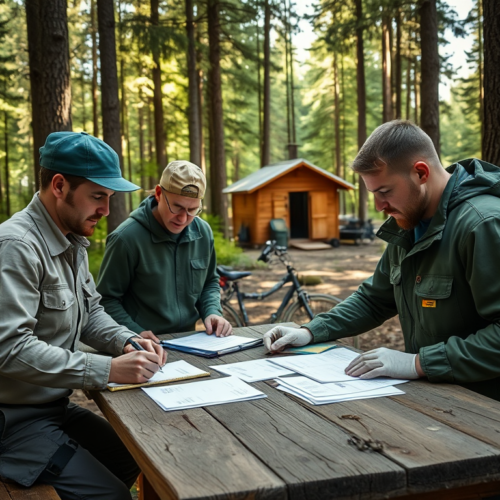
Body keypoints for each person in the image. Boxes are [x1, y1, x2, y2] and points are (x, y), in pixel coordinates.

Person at [264, 120, 500, 401]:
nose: (379, 206)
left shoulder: (483, 224)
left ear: (421, 173)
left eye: (385, 191)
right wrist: (310, 331)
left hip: (486, 409)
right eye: (373, 193)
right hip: (443, 399)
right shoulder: (410, 223)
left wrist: (417, 363)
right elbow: (374, 299)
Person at [0, 131, 167, 500]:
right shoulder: (16, 246)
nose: (106, 210)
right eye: (98, 196)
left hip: (51, 407)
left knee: (135, 456)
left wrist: (126, 340)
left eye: (109, 198)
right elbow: (9, 349)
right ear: (59, 185)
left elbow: (91, 311)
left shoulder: (71, 240)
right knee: (113, 495)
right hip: (12, 421)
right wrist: (106, 369)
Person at [96, 160, 232, 340]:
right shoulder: (126, 238)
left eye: (193, 210)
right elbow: (106, 300)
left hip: (192, 342)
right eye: (177, 207)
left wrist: (212, 312)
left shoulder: (203, 232)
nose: (183, 218)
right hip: (143, 346)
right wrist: (134, 332)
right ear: (159, 193)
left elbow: (209, 282)